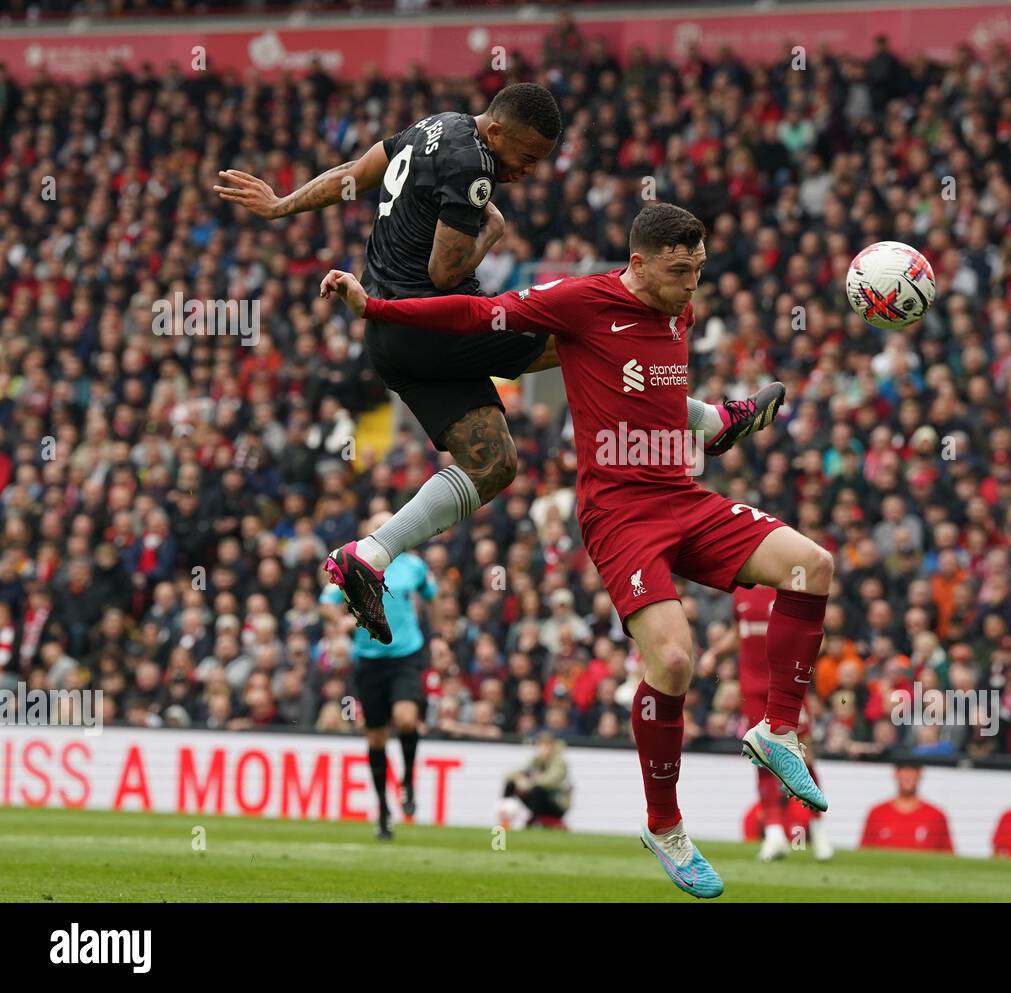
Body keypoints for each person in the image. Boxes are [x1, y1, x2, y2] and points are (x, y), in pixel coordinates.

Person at [321, 201, 830, 899]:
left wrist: (710, 421)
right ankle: (665, 824)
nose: (692, 283)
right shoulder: (579, 301)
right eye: (680, 270)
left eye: (700, 268)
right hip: (620, 514)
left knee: (813, 564)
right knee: (674, 661)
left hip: (685, 496)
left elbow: (653, 388)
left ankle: (778, 730)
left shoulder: (678, 310)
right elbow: (476, 315)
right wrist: (375, 306)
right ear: (640, 263)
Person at [216, 84, 784, 644]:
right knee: (588, 333)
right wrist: (491, 231)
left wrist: (283, 205)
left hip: (393, 338)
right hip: (436, 324)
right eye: (527, 157)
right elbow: (443, 274)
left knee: (494, 465)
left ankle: (368, 555)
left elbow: (358, 173)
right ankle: (709, 422)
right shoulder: (472, 163)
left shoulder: (436, 125)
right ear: (496, 133)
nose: (529, 172)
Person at [319, 511, 436, 840]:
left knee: (407, 718)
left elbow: (431, 597)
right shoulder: (353, 563)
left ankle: (409, 782)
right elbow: (326, 602)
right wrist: (340, 618)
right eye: (377, 526)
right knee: (376, 738)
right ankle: (384, 811)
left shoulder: (413, 565)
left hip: (406, 655)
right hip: (370, 660)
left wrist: (438, 636)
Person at [703, 584, 831, 862]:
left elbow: (817, 637)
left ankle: (818, 829)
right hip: (753, 689)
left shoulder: (789, 587)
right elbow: (740, 633)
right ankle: (774, 834)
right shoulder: (741, 591)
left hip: (786, 686)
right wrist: (714, 653)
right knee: (761, 757)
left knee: (803, 757)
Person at [859, 764, 953, 852]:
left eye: (913, 770)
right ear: (896, 773)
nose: (908, 775)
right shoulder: (877, 813)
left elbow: (949, 858)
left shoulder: (936, 815)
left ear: (920, 774)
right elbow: (863, 855)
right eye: (904, 770)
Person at [497, 731, 572, 829]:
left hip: (557, 803)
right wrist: (518, 779)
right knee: (512, 784)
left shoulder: (559, 762)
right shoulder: (537, 761)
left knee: (538, 790)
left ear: (552, 746)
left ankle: (535, 820)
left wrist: (528, 784)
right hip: (540, 798)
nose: (542, 749)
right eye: (540, 745)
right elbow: (514, 774)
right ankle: (505, 815)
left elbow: (550, 781)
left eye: (546, 746)